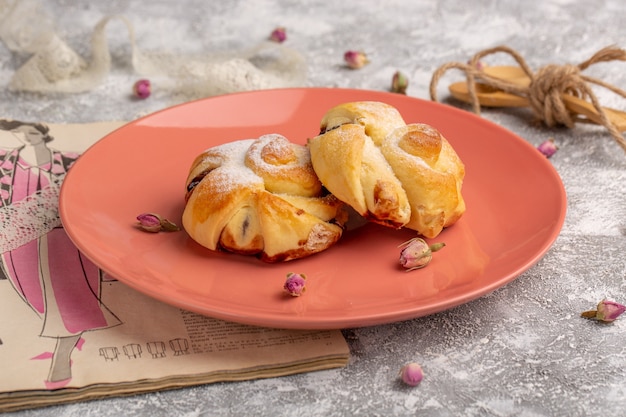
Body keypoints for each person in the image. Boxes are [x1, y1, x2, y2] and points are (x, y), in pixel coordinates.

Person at [0, 119, 120, 388]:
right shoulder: (8, 161)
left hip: (64, 234)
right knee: (34, 298)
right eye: (21, 134)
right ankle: (59, 352)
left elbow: (100, 167)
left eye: (31, 132)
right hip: (19, 237)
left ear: (42, 135)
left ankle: (61, 357)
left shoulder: (65, 160)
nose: (27, 137)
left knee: (68, 299)